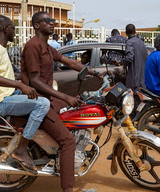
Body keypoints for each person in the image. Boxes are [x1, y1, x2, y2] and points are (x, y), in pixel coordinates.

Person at [21, 11, 102, 192]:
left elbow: (70, 62)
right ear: (36, 25)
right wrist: (64, 96)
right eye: (47, 21)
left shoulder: (48, 47)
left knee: (81, 106)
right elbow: (35, 81)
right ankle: (68, 189)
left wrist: (95, 73)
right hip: (38, 103)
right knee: (67, 142)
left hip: (48, 100)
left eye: (52, 20)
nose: (52, 23)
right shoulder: (33, 46)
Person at [0, 15, 50, 174]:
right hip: (0, 101)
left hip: (7, 94)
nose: (14, 32)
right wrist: (20, 85)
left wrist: (23, 79)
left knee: (40, 94)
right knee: (43, 104)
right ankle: (21, 149)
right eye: (12, 28)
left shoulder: (0, 48)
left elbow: (2, 74)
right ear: (6, 29)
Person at [118, 24, 148, 92]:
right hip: (142, 76)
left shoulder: (129, 42)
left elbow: (129, 57)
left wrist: (121, 63)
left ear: (126, 33)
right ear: (135, 32)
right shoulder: (141, 42)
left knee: (133, 97)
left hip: (134, 76)